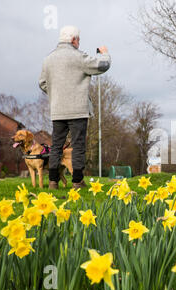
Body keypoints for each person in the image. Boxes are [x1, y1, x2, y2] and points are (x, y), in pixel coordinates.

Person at [39, 25, 111, 189]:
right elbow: (102, 65)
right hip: (77, 110)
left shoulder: (48, 59)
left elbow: (42, 83)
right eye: (78, 40)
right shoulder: (79, 57)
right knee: (78, 146)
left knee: (56, 146)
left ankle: (52, 182)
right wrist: (105, 52)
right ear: (73, 40)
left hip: (58, 111)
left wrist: (56, 94)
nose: (79, 43)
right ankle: (77, 181)